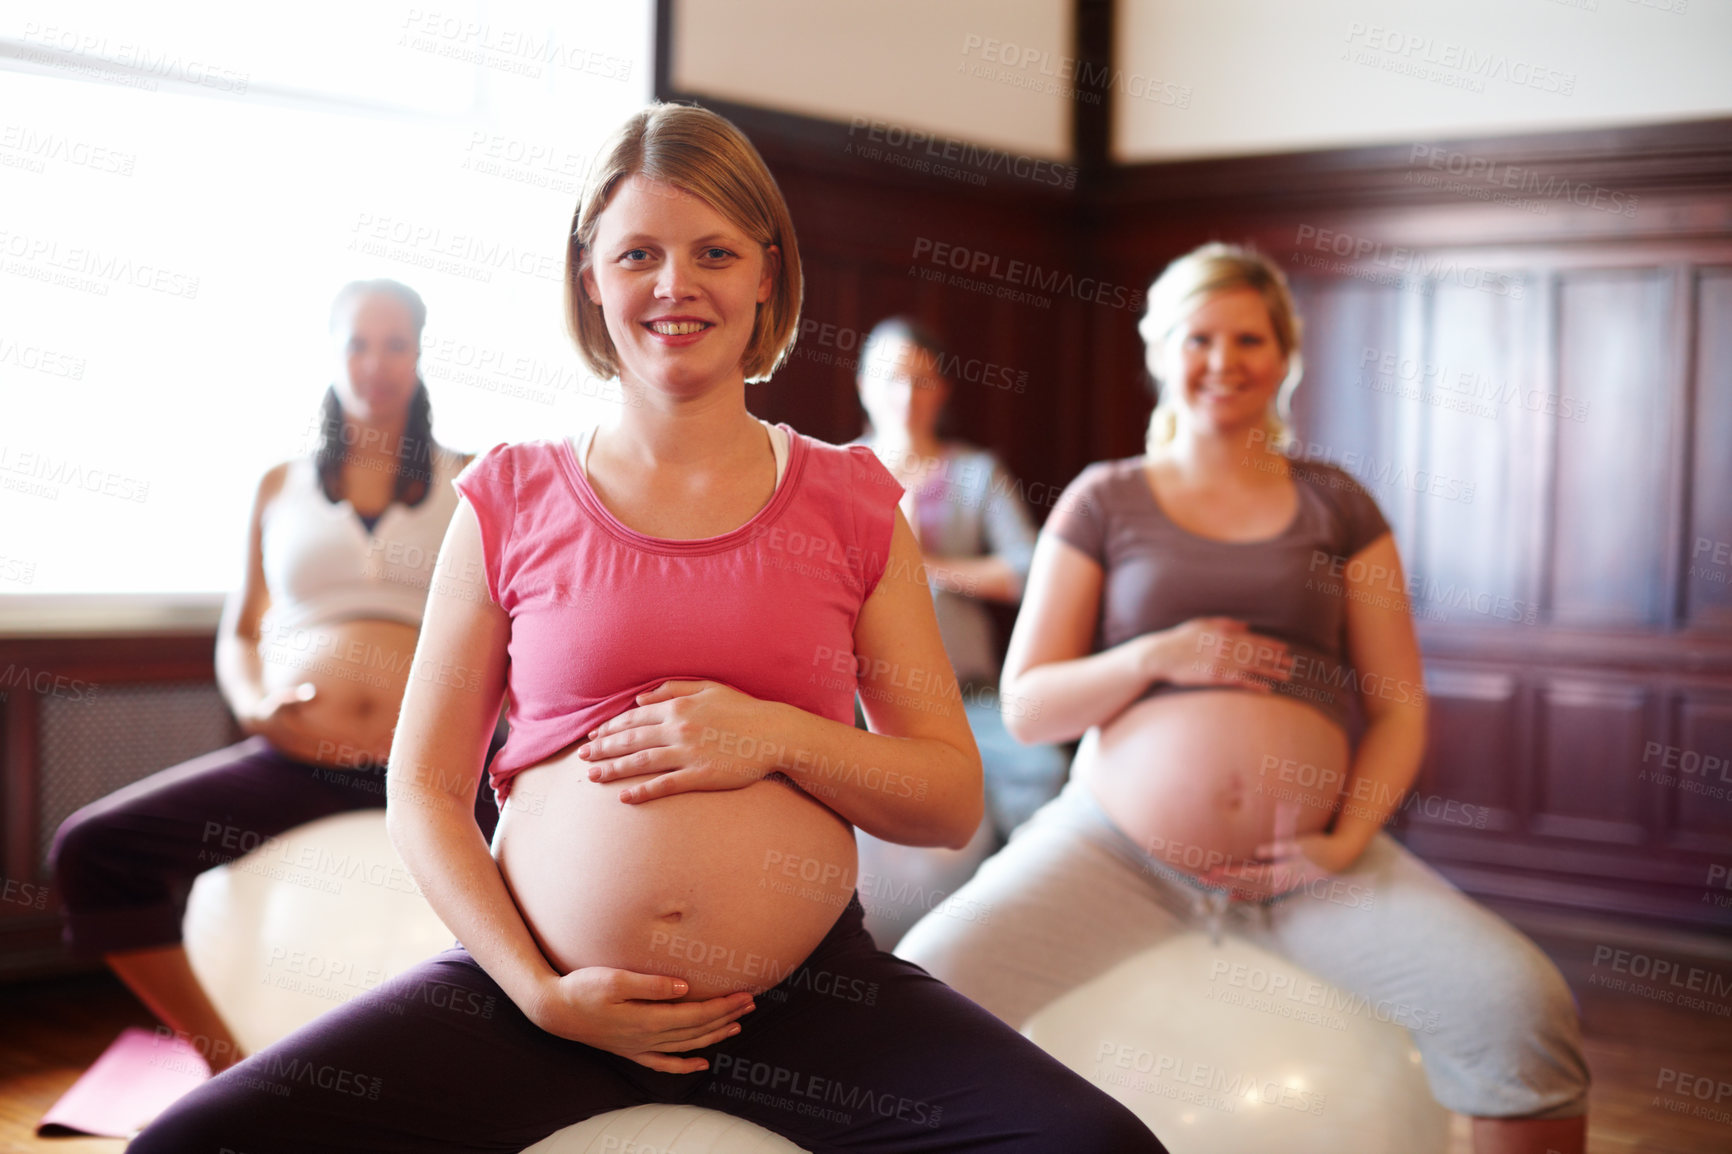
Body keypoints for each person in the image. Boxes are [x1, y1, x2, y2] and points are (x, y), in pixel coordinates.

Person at [129, 104, 1164, 1154]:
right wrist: (537, 990)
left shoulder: (855, 502)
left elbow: (948, 798)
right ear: (590, 273)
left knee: (1101, 1145)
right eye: (638, 253)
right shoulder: (507, 495)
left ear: (768, 271)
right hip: (537, 996)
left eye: (714, 250)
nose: (676, 283)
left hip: (805, 1006)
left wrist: (773, 733)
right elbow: (425, 792)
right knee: (189, 1144)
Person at [896, 244, 1590, 1154]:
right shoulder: (1105, 500)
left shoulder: (1338, 504)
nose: (1222, 361)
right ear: (1160, 351)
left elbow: (1399, 705)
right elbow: (1029, 706)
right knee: (922, 990)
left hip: (1308, 865)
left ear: (1284, 354)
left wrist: (1341, 839)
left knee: (1521, 1006)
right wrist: (1159, 653)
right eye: (1198, 337)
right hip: (1113, 852)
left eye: (1248, 338)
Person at [50, 278, 495, 1075]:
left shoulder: (475, 479)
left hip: (438, 769)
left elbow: (515, 626)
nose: (376, 362)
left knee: (579, 867)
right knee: (90, 849)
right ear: (332, 352)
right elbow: (242, 632)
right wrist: (256, 704)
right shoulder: (277, 486)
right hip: (299, 760)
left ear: (422, 355)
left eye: (396, 343)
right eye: (358, 342)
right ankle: (224, 1060)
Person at [853, 317, 1068, 842]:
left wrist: (926, 567)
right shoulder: (836, 470)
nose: (905, 395)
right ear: (862, 384)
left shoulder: (977, 473)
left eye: (920, 380)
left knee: (1042, 771)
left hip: (966, 694)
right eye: (890, 378)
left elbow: (1031, 572)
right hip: (852, 701)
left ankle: (1007, 902)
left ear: (942, 390)